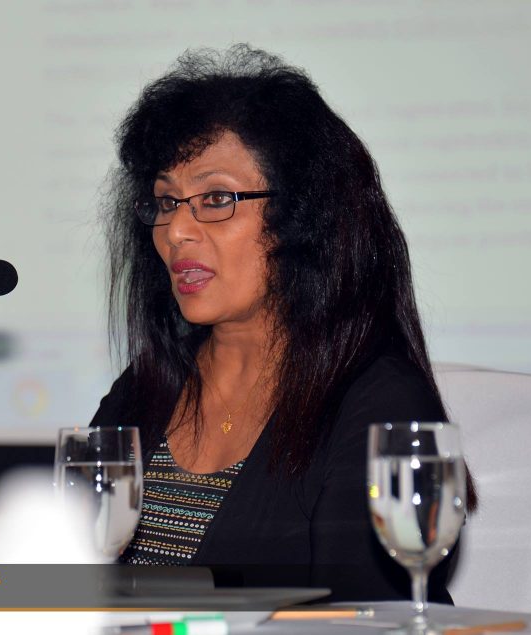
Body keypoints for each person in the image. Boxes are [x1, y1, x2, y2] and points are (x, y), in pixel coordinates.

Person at [89, 45, 476, 602]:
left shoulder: (377, 402)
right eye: (166, 203)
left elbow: (367, 616)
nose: (176, 231)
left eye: (216, 198)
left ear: (304, 219)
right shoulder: (147, 385)